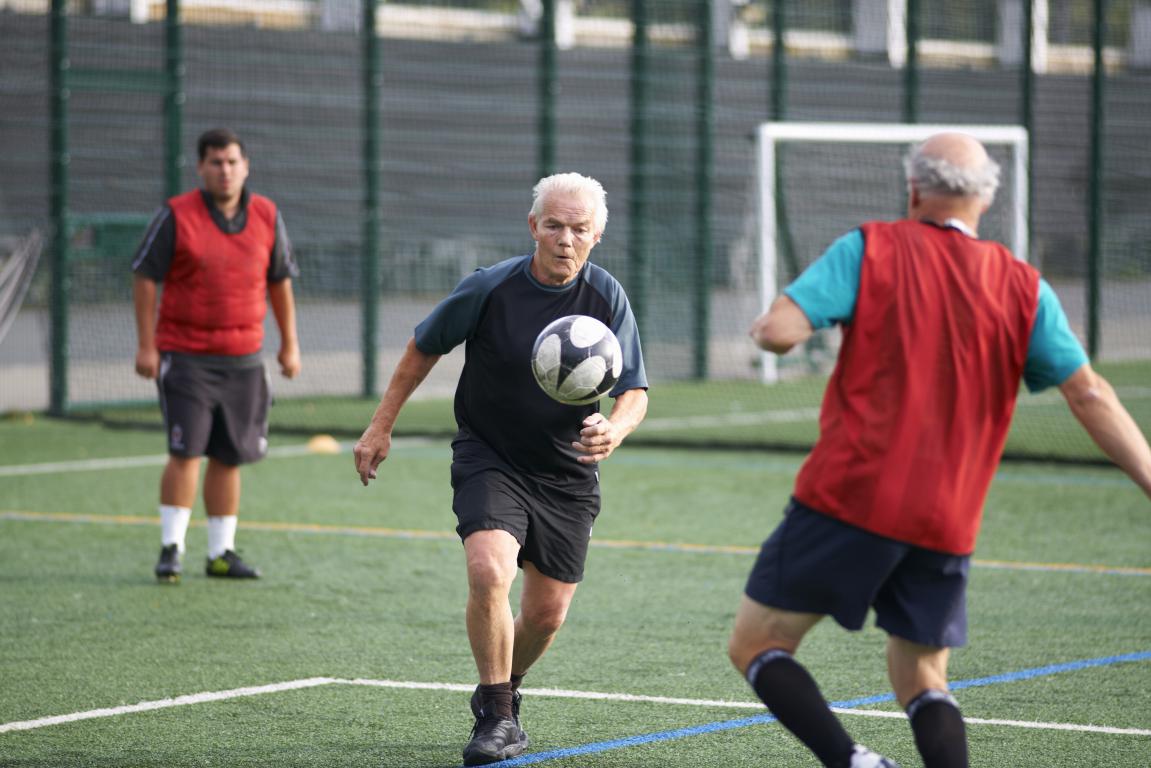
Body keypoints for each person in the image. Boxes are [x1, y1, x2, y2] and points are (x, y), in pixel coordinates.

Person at [728, 132, 1151, 768]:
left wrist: (773, 330)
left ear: (914, 189)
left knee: (757, 642)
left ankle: (853, 761)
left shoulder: (872, 247)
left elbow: (780, 332)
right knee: (922, 676)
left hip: (853, 495)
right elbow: (1089, 394)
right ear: (987, 199)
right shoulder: (1024, 286)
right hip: (949, 516)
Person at [353, 172, 648, 766]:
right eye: (555, 225)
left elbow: (635, 391)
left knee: (545, 615)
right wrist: (380, 425)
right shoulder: (490, 287)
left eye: (580, 228)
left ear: (597, 235)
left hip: (566, 471)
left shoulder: (607, 296)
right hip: (490, 455)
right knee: (489, 570)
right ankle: (497, 716)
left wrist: (615, 429)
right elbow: (423, 346)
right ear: (533, 226)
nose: (566, 238)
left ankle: (502, 690)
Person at [132, 127, 301, 584]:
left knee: (229, 455)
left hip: (244, 359)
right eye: (215, 162)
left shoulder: (267, 214)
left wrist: (289, 343)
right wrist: (147, 344)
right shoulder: (175, 215)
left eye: (231, 162)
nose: (224, 170)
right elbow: (144, 276)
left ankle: (220, 553)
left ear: (245, 166)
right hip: (186, 357)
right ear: (201, 168)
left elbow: (280, 281)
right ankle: (171, 548)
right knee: (186, 451)